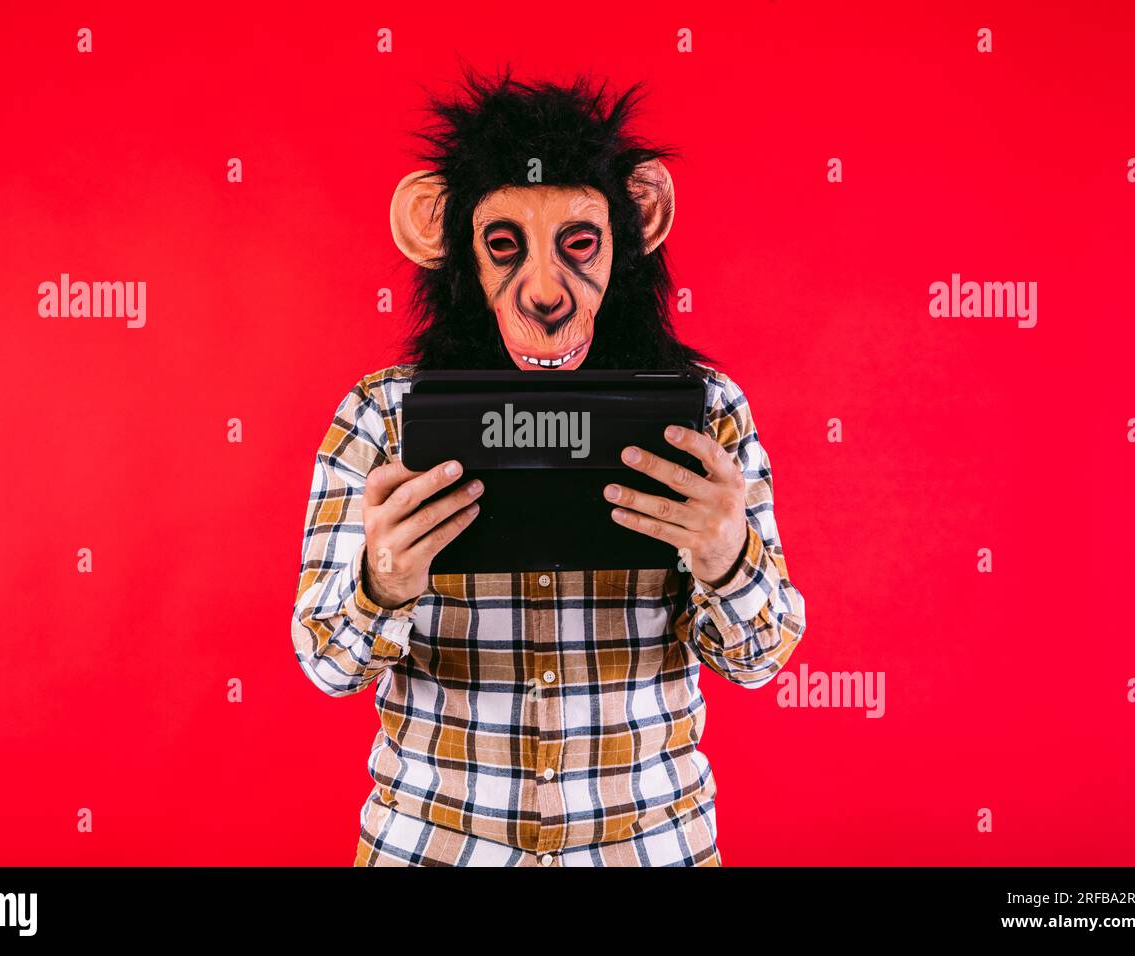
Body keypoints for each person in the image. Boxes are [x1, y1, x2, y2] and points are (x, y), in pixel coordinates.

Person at [292, 72, 806, 866]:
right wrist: (379, 581)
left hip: (649, 846)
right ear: (445, 238)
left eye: (579, 243)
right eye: (505, 245)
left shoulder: (707, 413)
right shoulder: (382, 415)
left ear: (637, 227)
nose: (543, 293)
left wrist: (728, 557)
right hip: (431, 845)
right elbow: (325, 664)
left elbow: (762, 660)